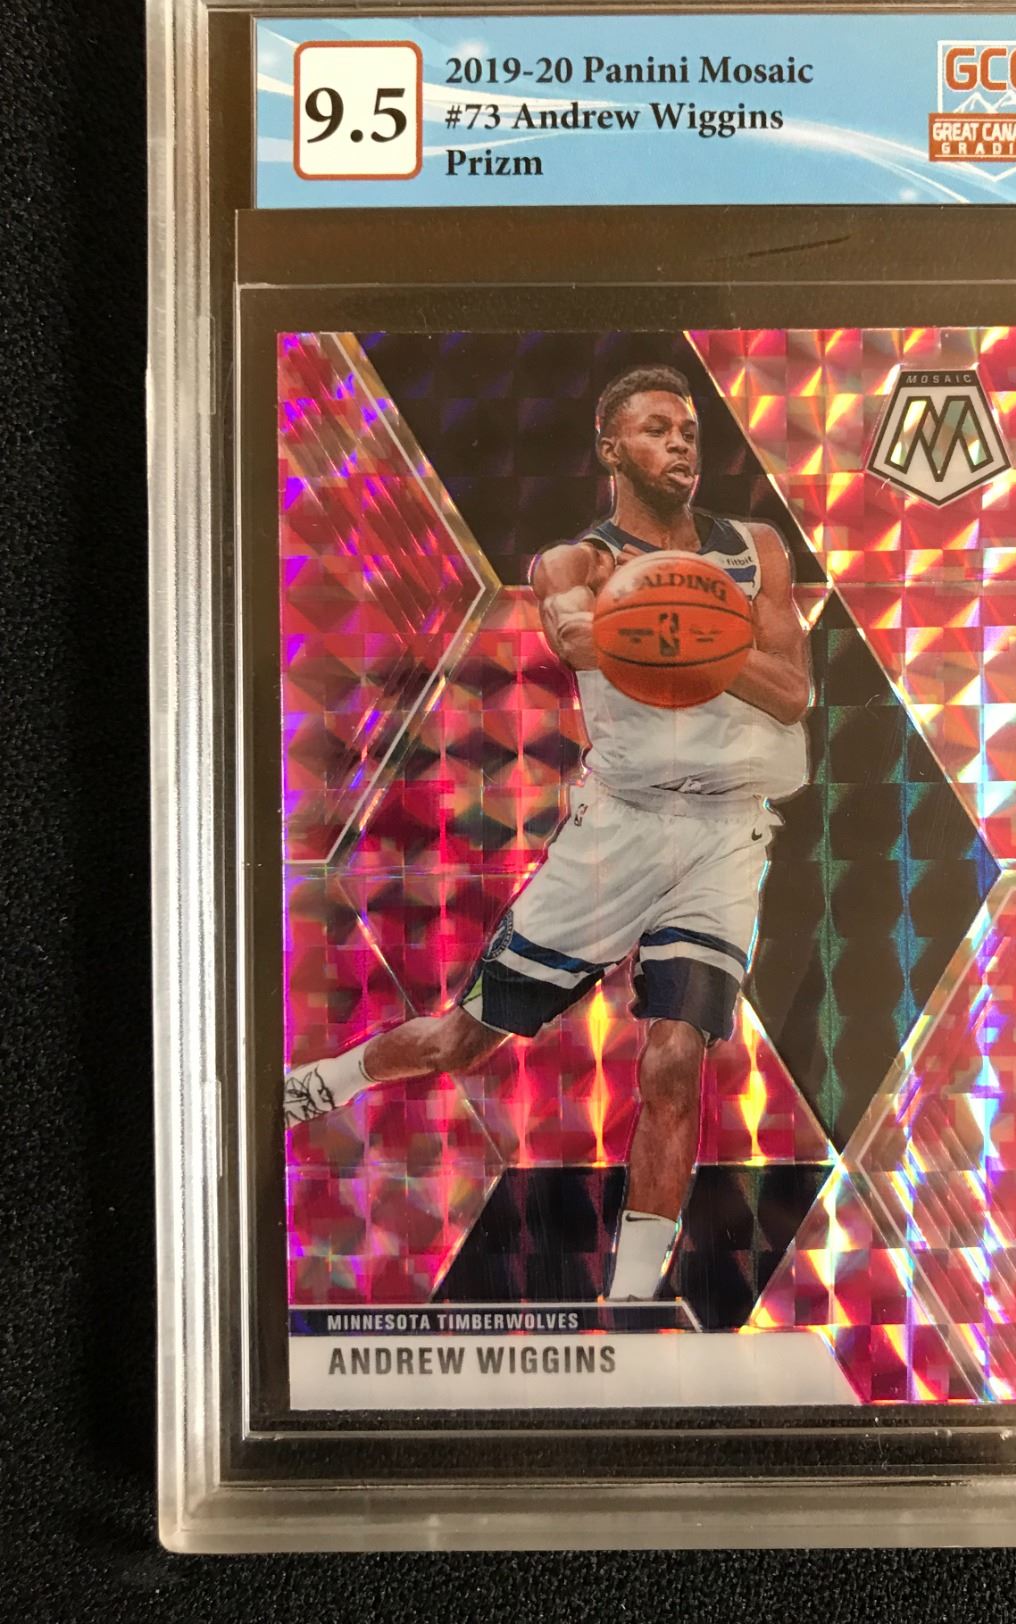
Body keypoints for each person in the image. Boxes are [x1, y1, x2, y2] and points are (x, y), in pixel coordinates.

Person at [283, 364, 811, 1299]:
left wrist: (686, 638)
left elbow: (793, 691)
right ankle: (332, 1078)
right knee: (462, 1041)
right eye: (656, 429)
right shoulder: (577, 562)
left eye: (688, 431)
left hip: (728, 833)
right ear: (611, 449)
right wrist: (694, 637)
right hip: (621, 831)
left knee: (675, 1060)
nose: (679, 444)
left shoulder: (755, 550)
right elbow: (575, 635)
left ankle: (634, 1299)